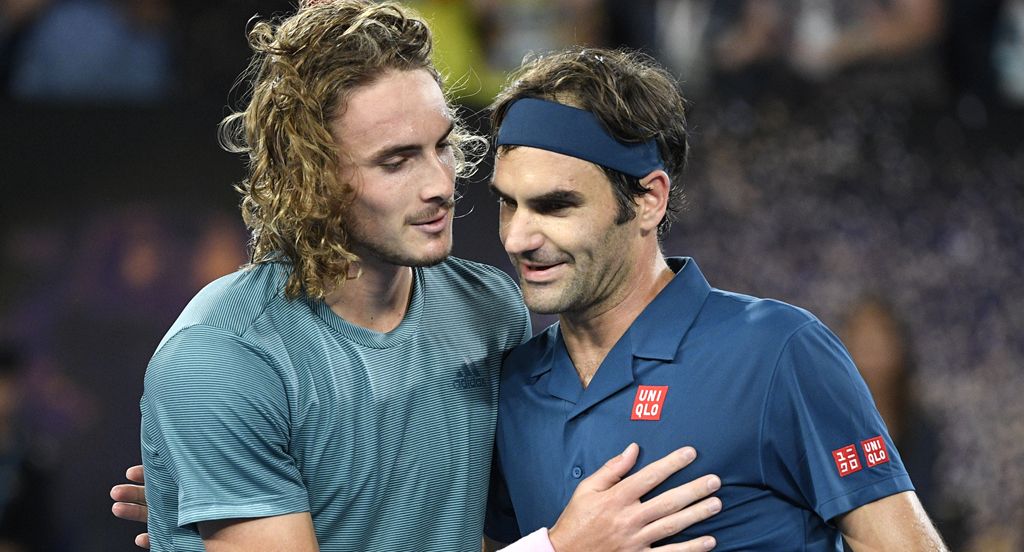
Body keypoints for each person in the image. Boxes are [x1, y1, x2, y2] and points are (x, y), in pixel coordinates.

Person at [111, 2, 722, 551]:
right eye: (397, 161)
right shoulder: (222, 356)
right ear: (311, 179)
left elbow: (485, 523)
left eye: (443, 145)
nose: (440, 185)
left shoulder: (489, 306)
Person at [482, 47, 949, 550]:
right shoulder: (510, 385)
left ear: (648, 200)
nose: (517, 238)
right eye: (508, 204)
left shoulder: (778, 351)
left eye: (555, 205)